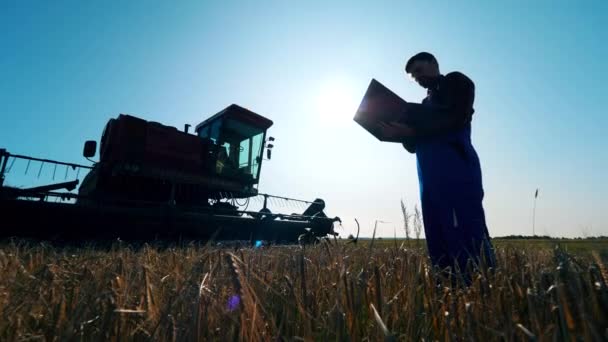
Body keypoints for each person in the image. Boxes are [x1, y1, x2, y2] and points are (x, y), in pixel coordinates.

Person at [379, 52, 496, 282]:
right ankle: (448, 286)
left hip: (455, 169)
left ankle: (482, 285)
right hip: (428, 177)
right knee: (437, 230)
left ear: (434, 64)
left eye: (420, 71)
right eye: (414, 77)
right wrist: (396, 132)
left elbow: (452, 117)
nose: (418, 78)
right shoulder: (425, 104)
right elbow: (413, 145)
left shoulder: (456, 82)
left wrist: (407, 118)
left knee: (464, 226)